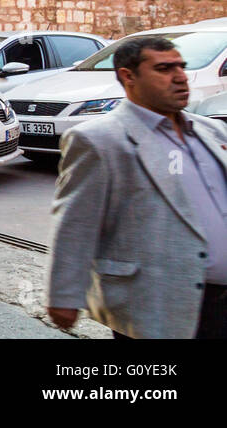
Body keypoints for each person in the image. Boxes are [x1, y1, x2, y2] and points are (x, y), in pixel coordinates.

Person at [46, 36, 227, 339]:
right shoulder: (100, 139)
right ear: (128, 77)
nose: (180, 76)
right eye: (164, 69)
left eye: (180, 67)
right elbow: (75, 222)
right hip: (158, 300)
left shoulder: (212, 130)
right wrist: (64, 295)